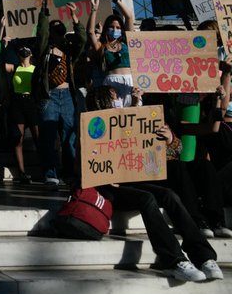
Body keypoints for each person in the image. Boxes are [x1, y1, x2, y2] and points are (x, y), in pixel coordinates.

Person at [84, 86, 222, 281]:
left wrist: (169, 139)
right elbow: (84, 166)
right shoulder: (91, 126)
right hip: (108, 188)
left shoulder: (125, 124)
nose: (117, 102)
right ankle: (174, 260)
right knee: (147, 198)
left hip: (131, 181)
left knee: (169, 195)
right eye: (112, 99)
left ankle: (204, 256)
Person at [34, 0, 87, 188]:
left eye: (60, 31)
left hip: (67, 96)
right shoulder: (43, 50)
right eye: (54, 31)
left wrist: (75, 18)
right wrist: (46, 2)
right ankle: (50, 173)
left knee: (69, 137)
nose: (57, 34)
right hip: (49, 96)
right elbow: (42, 29)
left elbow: (82, 41)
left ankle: (71, 171)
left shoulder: (69, 51)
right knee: (48, 137)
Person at [87, 0, 136, 104]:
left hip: (130, 82)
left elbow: (129, 17)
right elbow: (90, 32)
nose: (115, 29)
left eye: (118, 28)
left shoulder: (127, 43)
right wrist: (94, 9)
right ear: (106, 29)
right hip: (110, 84)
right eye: (112, 27)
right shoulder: (101, 46)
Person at [2, 41, 38, 184]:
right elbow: (0, 63)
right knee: (19, 139)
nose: (24, 51)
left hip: (31, 102)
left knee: (38, 137)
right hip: (17, 102)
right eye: (21, 50)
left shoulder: (35, 69)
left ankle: (47, 169)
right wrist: (5, 46)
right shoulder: (14, 67)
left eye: (26, 49)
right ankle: (22, 173)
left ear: (31, 54)